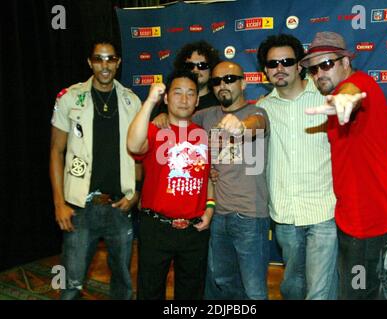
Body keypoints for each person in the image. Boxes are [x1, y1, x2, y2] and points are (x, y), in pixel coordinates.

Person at [256, 34, 387, 300]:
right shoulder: (271, 107)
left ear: (345, 61)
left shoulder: (357, 85)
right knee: (354, 290)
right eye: (314, 68)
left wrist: (346, 99)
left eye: (327, 64)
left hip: (375, 222)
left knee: (361, 291)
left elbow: (352, 92)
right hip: (351, 222)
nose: (319, 73)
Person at [49, 40, 141, 300]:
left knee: (123, 283)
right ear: (90, 62)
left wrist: (136, 193)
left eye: (110, 59)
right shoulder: (69, 97)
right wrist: (58, 203)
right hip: (80, 206)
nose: (105, 65)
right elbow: (56, 151)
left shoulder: (131, 101)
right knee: (72, 284)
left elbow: (139, 154)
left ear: (118, 63)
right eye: (99, 59)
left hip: (118, 207)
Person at [256, 34, 338, 300]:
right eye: (272, 64)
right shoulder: (262, 108)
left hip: (323, 211)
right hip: (284, 214)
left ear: (299, 65)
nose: (280, 68)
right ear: (265, 71)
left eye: (287, 61)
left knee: (319, 291)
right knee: (292, 287)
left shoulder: (327, 100)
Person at [127, 70, 214, 300]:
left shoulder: (204, 135)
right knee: (150, 291)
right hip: (157, 227)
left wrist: (210, 207)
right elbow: (134, 146)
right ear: (166, 98)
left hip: (194, 231)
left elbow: (208, 178)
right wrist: (150, 102)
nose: (184, 99)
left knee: (191, 294)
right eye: (177, 93)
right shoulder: (156, 129)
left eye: (190, 94)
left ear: (197, 100)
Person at [193, 61, 271, 300]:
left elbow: (259, 125)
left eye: (229, 79)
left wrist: (240, 126)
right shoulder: (206, 116)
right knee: (224, 283)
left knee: (254, 289)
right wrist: (164, 115)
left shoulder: (256, 113)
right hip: (219, 215)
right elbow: (180, 121)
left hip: (250, 216)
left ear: (243, 83)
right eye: (216, 81)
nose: (222, 85)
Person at [153, 40, 221, 126]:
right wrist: (162, 116)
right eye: (190, 66)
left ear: (212, 69)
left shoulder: (219, 101)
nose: (195, 70)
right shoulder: (169, 101)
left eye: (202, 66)